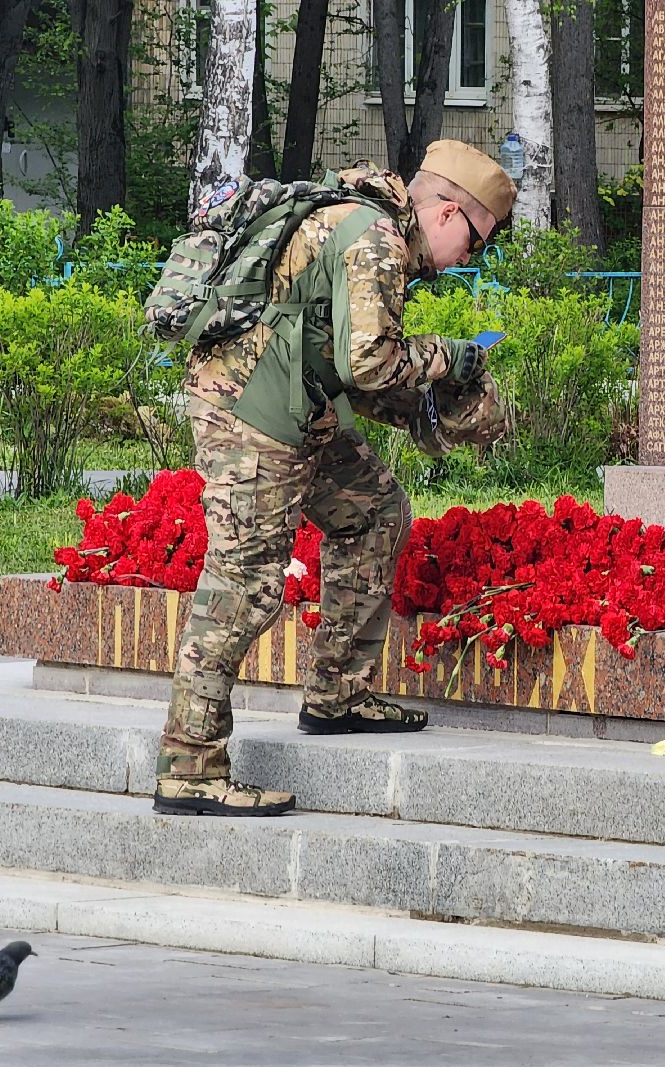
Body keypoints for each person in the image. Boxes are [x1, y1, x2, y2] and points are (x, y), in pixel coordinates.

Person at [153, 139, 516, 816]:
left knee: (375, 511)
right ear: (445, 212)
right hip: (252, 416)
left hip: (295, 408)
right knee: (243, 583)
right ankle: (190, 766)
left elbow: (342, 358)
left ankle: (336, 693)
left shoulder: (365, 222)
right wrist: (454, 359)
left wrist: (428, 413)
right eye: (476, 241)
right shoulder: (375, 236)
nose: (471, 258)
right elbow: (372, 366)